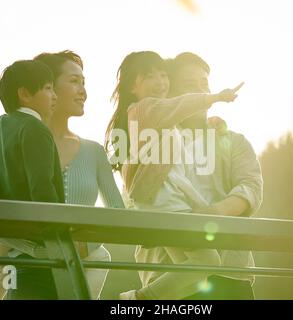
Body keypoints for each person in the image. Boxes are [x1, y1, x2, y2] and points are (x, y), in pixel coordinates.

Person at [0, 51, 124, 300]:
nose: (84, 92)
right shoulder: (22, 133)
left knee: (101, 258)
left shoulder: (93, 151)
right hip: (25, 261)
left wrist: (83, 241)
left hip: (74, 261)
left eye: (84, 82)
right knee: (4, 270)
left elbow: (118, 214)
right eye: (74, 81)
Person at [104, 51, 244, 300]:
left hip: (165, 201)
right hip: (165, 204)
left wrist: (212, 122)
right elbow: (182, 105)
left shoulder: (154, 115)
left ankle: (143, 299)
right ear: (132, 87)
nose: (160, 82)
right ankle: (137, 299)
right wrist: (217, 97)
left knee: (194, 273)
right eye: (149, 76)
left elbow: (180, 123)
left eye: (163, 75)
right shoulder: (146, 108)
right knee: (208, 260)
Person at [0, 59, 63, 299]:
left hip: (0, 217)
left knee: (1, 272)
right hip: (25, 225)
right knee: (78, 260)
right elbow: (41, 186)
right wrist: (57, 225)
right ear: (25, 94)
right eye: (47, 88)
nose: (54, 95)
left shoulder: (1, 123)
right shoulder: (36, 128)